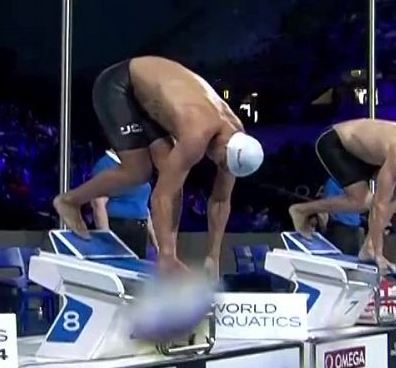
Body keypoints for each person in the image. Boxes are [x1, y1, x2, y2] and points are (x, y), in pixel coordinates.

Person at [53, 56, 263, 273]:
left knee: (171, 176)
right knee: (138, 172)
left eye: (225, 166)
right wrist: (165, 256)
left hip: (152, 102)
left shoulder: (239, 145)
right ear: (225, 145)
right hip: (120, 85)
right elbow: (161, 195)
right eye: (220, 161)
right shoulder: (197, 135)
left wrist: (213, 256)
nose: (218, 165)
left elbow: (220, 201)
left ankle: (170, 256)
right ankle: (69, 201)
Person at [286, 118, 396, 272]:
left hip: (369, 156)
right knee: (362, 201)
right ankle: (301, 210)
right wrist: (379, 255)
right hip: (337, 142)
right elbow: (380, 204)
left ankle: (368, 248)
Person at [86, 149, 152, 258]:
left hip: (139, 231)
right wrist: (107, 239)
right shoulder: (105, 165)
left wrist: (155, 241)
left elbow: (142, 205)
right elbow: (98, 205)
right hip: (118, 229)